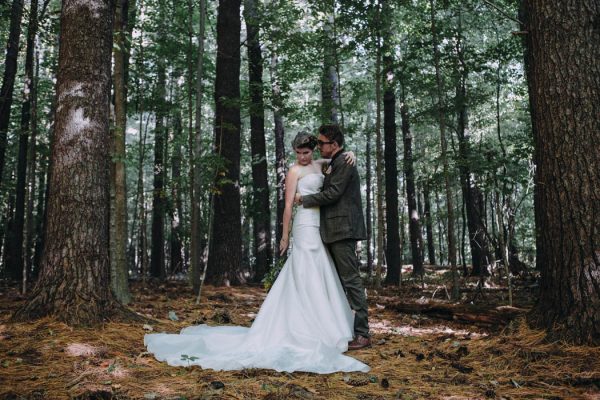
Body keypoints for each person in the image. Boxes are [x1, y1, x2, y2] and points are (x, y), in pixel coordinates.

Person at [144, 131, 369, 374]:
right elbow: (287, 206)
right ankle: (302, 327)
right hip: (304, 226)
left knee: (322, 273)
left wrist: (350, 153)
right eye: (298, 153)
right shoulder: (294, 172)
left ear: (314, 150)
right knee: (304, 271)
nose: (303, 157)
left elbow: (335, 162)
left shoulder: (321, 164)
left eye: (306, 152)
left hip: (320, 227)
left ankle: (327, 326)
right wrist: (285, 235)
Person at [295, 124, 371, 350]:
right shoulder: (336, 161)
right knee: (337, 282)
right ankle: (343, 328)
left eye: (321, 143)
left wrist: (305, 200)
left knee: (351, 280)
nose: (318, 147)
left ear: (334, 145)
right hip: (330, 230)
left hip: (343, 229)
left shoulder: (344, 163)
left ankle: (363, 333)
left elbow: (334, 193)